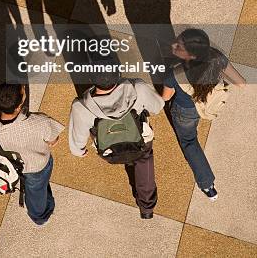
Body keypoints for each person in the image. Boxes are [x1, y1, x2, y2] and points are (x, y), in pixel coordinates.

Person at [162, 28, 246, 201]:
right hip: (205, 105)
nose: (173, 45)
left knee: (189, 141)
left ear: (191, 56)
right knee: (191, 140)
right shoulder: (217, 58)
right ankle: (209, 188)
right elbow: (241, 83)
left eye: (179, 46)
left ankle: (206, 181)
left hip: (184, 111)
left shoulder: (176, 74)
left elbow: (165, 97)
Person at [69, 74, 165, 219]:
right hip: (139, 141)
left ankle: (125, 157)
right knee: (145, 159)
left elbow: (77, 140)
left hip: (110, 150)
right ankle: (146, 207)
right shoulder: (138, 88)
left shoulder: (80, 107)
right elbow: (158, 106)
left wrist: (79, 150)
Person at [0, 84, 64, 225]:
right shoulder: (40, 122)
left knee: (36, 189)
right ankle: (39, 216)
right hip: (37, 166)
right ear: (18, 107)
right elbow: (53, 140)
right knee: (36, 190)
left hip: (11, 167)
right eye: (23, 90)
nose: (24, 87)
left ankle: (38, 213)